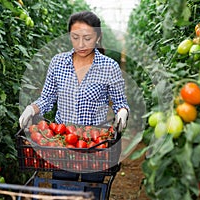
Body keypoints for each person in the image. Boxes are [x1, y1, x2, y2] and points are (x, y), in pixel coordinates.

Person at [19, 11, 129, 199]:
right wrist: (32, 109)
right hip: (62, 144)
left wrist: (122, 113)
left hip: (96, 144)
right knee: (64, 190)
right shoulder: (58, 63)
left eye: (87, 38)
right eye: (75, 37)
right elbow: (46, 99)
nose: (81, 44)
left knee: (92, 191)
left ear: (98, 37)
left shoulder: (109, 67)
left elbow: (120, 102)